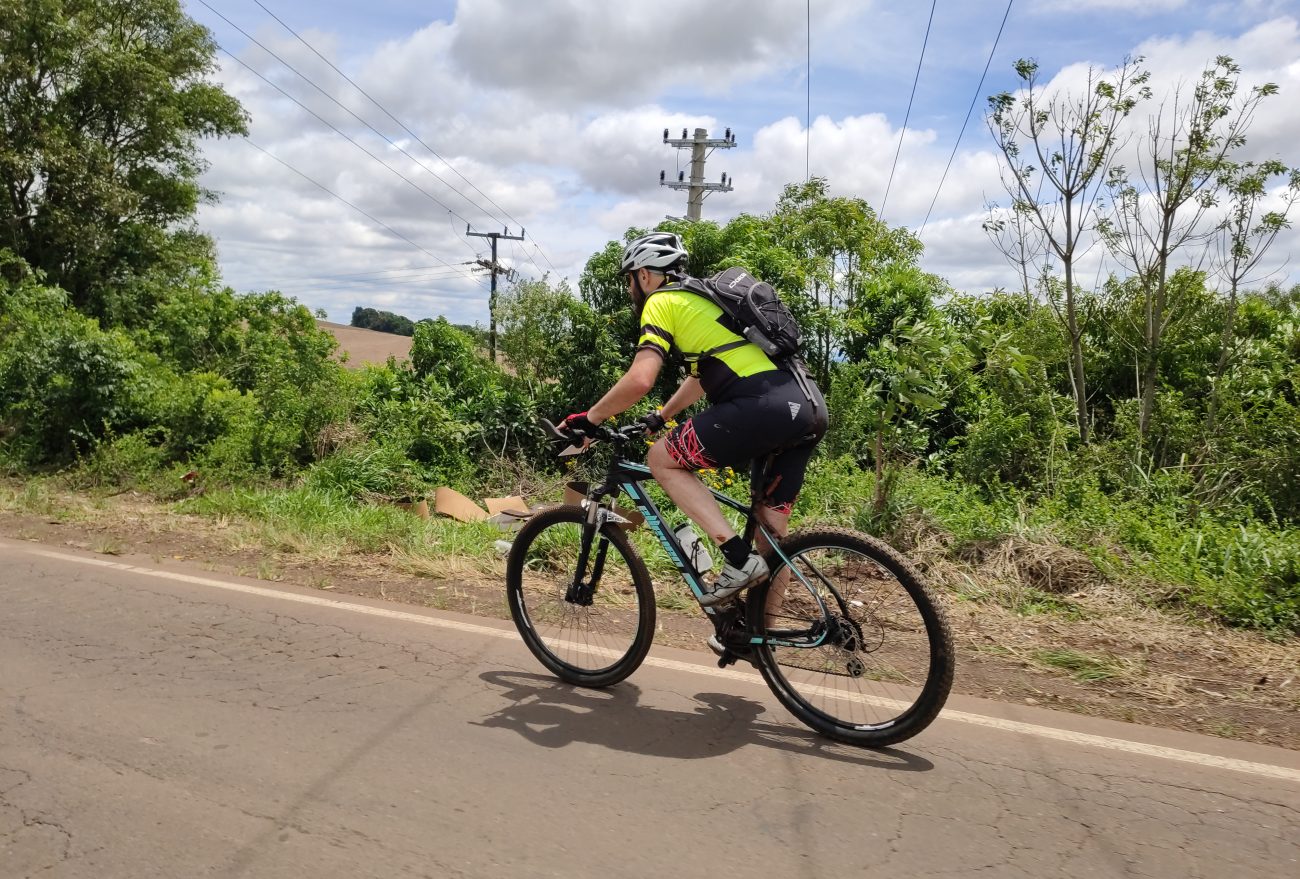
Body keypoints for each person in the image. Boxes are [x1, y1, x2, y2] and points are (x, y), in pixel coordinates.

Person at [559, 232, 828, 649]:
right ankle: (761, 637)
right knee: (771, 536)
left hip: (764, 406)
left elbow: (641, 378)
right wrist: (660, 417)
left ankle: (736, 561)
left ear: (644, 275)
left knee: (661, 459)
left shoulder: (662, 302)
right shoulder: (705, 301)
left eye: (630, 279)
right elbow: (703, 376)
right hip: (807, 407)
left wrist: (590, 419)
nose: (631, 289)